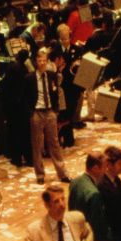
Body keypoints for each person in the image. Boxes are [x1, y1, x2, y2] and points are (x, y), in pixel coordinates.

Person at [25, 47, 70, 184]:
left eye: (44, 60)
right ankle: (40, 174)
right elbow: (25, 98)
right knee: (37, 145)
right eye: (40, 60)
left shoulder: (52, 75)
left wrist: (55, 111)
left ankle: (62, 174)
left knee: (54, 143)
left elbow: (56, 93)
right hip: (37, 113)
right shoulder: (29, 78)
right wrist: (31, 113)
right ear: (36, 62)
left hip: (50, 112)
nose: (42, 63)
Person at [68, 151, 112, 241]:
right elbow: (96, 226)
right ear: (95, 168)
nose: (106, 170)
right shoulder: (94, 194)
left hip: (74, 232)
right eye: (105, 167)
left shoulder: (75, 182)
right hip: (89, 240)